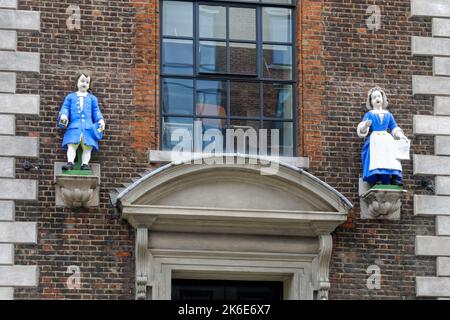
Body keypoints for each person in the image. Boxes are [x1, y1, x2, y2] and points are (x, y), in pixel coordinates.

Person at [357, 87, 409, 186]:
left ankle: (393, 178)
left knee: (390, 158)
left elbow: (394, 128)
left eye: (379, 96)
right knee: (377, 158)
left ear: (382, 99)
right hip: (375, 140)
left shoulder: (388, 114)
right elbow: (362, 129)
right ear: (371, 101)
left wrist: (401, 136)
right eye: (374, 97)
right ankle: (378, 177)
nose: (377, 98)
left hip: (387, 140)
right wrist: (365, 126)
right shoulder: (369, 114)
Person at [58, 71, 105, 171]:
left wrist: (100, 120)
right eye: (82, 81)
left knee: (87, 147)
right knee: (72, 145)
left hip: (88, 127)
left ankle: (85, 164)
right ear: (77, 82)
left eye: (87, 82)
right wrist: (63, 115)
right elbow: (65, 108)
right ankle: (70, 162)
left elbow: (96, 111)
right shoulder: (70, 97)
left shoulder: (92, 98)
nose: (84, 84)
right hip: (74, 126)